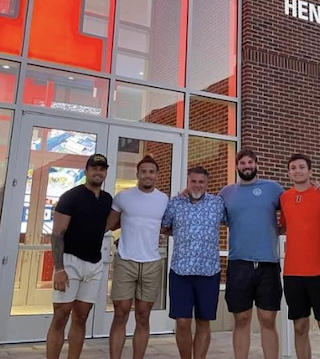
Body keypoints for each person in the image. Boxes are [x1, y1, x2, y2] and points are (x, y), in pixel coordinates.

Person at [219, 149, 284, 359]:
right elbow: (208, 211)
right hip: (239, 264)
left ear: (256, 164)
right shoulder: (226, 193)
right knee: (242, 319)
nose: (246, 166)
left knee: (267, 319)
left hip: (268, 264)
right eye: (242, 163)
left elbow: (295, 208)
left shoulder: (273, 189)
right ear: (237, 166)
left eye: (250, 162)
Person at [47, 153, 112, 359]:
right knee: (61, 315)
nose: (98, 172)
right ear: (86, 171)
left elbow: (107, 224)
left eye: (102, 169)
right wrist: (59, 268)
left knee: (81, 317)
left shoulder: (106, 199)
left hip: (94, 264)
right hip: (69, 262)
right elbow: (57, 234)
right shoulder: (70, 197)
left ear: (105, 173)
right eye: (94, 168)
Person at [105, 155, 169, 359]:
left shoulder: (164, 199)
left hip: (151, 262)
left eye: (152, 171)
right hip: (126, 261)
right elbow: (109, 224)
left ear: (157, 175)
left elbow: (169, 227)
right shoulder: (123, 197)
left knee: (143, 316)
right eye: (144, 171)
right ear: (138, 174)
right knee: (121, 312)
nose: (147, 175)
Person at [161, 166, 226, 359]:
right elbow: (164, 228)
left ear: (207, 184)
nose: (197, 185)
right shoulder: (175, 203)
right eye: (193, 181)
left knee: (203, 321)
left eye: (201, 182)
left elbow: (234, 220)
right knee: (182, 321)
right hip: (181, 271)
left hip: (209, 271)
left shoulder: (218, 204)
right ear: (188, 182)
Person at [280, 153, 320, 359]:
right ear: (289, 173)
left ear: (310, 171)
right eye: (293, 168)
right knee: (299, 327)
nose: (298, 171)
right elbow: (284, 227)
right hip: (293, 273)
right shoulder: (284, 198)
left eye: (301, 167)